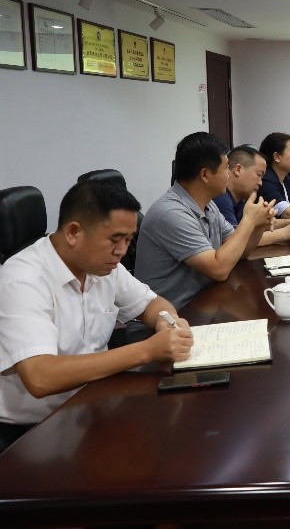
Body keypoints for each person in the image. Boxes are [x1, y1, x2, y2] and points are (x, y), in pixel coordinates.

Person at [0, 181, 194, 451]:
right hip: (32, 433)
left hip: (92, 405)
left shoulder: (102, 265)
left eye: (129, 240)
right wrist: (147, 351)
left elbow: (151, 303)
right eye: (115, 240)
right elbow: (40, 377)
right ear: (73, 232)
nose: (122, 251)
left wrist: (167, 320)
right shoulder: (22, 279)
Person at [135, 132, 274, 308]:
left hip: (206, 301)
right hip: (173, 314)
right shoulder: (171, 213)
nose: (229, 174)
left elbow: (240, 252)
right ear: (205, 175)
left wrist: (259, 225)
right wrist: (248, 221)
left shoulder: (209, 205)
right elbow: (218, 270)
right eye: (226, 168)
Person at [211, 145, 290, 246]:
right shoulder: (221, 198)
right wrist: (285, 233)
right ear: (238, 170)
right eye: (259, 175)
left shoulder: (242, 199)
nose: (261, 183)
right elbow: (234, 242)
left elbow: (254, 227)